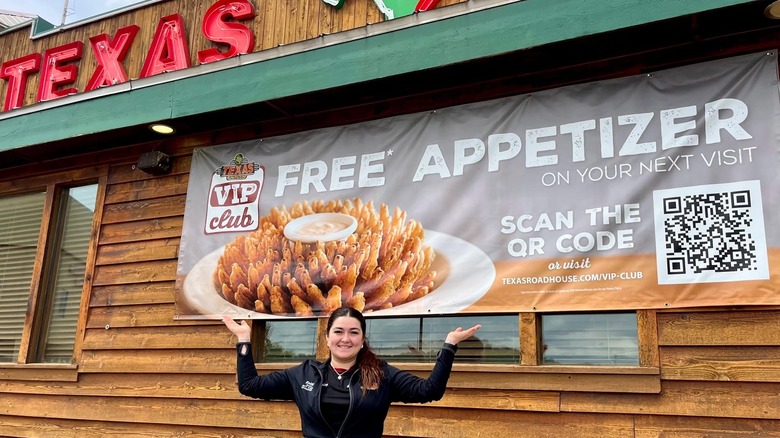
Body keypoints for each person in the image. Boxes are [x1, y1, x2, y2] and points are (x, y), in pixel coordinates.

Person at [222, 307, 481, 438]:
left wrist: (449, 346)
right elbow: (250, 386)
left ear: (362, 338)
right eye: (338, 331)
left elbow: (430, 391)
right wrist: (245, 339)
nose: (345, 339)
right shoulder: (302, 374)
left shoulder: (382, 374)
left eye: (353, 332)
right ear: (327, 337)